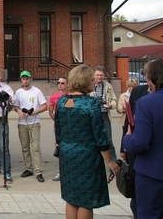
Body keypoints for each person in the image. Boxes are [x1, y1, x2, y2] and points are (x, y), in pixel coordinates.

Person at [55, 64, 120, 219]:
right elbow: (100, 136)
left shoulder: (61, 102)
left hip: (67, 156)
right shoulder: (90, 103)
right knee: (86, 200)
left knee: (71, 197)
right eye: (91, 80)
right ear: (84, 81)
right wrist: (110, 161)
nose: (93, 82)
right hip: (87, 157)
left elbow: (58, 131)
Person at [123, 58, 163, 219]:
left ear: (150, 78)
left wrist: (126, 139)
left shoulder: (146, 103)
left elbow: (139, 142)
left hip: (151, 174)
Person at [12, 70, 47, 182]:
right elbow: (15, 106)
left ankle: (38, 171)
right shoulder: (18, 92)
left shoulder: (36, 91)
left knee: (35, 147)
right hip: (22, 123)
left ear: (30, 79)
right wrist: (19, 111)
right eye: (23, 78)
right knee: (25, 147)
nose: (25, 80)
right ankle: (29, 168)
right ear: (21, 80)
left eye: (27, 78)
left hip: (34, 122)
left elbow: (44, 106)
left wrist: (35, 111)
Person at [90, 66, 117, 161]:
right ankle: (95, 163)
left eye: (101, 75)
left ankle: (114, 162)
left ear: (104, 76)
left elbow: (114, 100)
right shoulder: (89, 85)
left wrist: (111, 105)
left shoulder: (108, 86)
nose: (99, 77)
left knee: (109, 140)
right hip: (93, 116)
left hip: (104, 115)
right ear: (94, 75)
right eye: (97, 75)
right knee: (93, 140)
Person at [49, 76, 68, 181]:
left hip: (69, 127)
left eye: (63, 83)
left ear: (67, 85)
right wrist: (57, 121)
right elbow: (51, 111)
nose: (60, 85)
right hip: (58, 127)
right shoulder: (54, 97)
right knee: (60, 149)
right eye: (59, 83)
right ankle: (60, 172)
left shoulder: (71, 96)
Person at [117, 77, 139, 156]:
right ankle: (124, 152)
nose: (131, 88)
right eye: (129, 86)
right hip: (125, 121)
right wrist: (123, 108)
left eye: (133, 86)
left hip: (135, 120)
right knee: (125, 135)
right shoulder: (123, 96)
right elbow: (118, 109)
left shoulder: (138, 96)